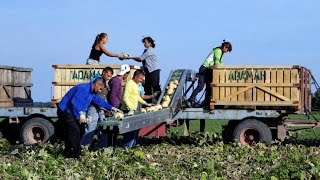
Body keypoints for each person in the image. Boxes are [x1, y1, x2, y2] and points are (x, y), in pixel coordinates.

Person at [57, 77, 122, 158]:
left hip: (73, 112)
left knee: (80, 130)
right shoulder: (83, 88)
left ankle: (68, 152)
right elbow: (75, 101)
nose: (100, 91)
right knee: (75, 131)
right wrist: (81, 113)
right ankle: (75, 155)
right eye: (100, 88)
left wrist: (112, 108)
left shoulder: (93, 93)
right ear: (96, 84)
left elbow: (100, 101)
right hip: (64, 110)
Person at [187, 40, 232, 109]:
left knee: (209, 87)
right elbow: (217, 62)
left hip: (209, 70)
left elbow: (220, 63)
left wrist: (223, 68)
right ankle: (190, 100)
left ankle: (206, 103)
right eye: (227, 49)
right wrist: (223, 70)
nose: (227, 51)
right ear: (225, 47)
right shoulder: (218, 51)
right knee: (200, 86)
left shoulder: (221, 53)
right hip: (204, 69)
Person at [80, 67, 114, 148]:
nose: (109, 78)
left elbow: (103, 97)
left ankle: (102, 148)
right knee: (91, 126)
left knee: (103, 126)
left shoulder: (105, 83)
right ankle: (84, 147)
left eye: (110, 77)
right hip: (93, 107)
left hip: (101, 107)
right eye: (108, 75)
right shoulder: (96, 80)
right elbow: (93, 96)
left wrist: (107, 107)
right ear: (103, 73)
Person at [122, 69, 153, 148]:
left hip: (133, 110)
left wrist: (146, 103)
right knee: (130, 130)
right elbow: (125, 97)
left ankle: (132, 146)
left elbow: (137, 97)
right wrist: (131, 108)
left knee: (135, 130)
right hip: (129, 110)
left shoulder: (135, 84)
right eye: (140, 78)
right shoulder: (129, 84)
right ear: (135, 77)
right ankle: (127, 147)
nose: (141, 80)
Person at [129, 37, 161, 102]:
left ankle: (160, 101)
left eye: (145, 42)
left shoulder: (150, 49)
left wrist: (130, 57)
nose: (144, 44)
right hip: (148, 71)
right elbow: (141, 60)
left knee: (155, 87)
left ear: (150, 43)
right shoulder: (145, 51)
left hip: (154, 70)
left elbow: (141, 58)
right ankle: (147, 103)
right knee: (147, 87)